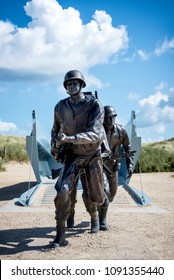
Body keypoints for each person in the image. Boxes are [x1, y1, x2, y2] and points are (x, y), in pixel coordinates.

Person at [50, 70, 108, 248]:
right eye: (68, 84)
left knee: (96, 196)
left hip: (92, 155)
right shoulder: (60, 107)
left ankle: (94, 217)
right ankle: (60, 236)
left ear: (82, 85)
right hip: (72, 155)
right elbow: (55, 130)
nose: (71, 86)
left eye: (75, 83)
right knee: (62, 191)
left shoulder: (95, 105)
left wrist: (68, 138)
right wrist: (55, 145)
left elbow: (95, 135)